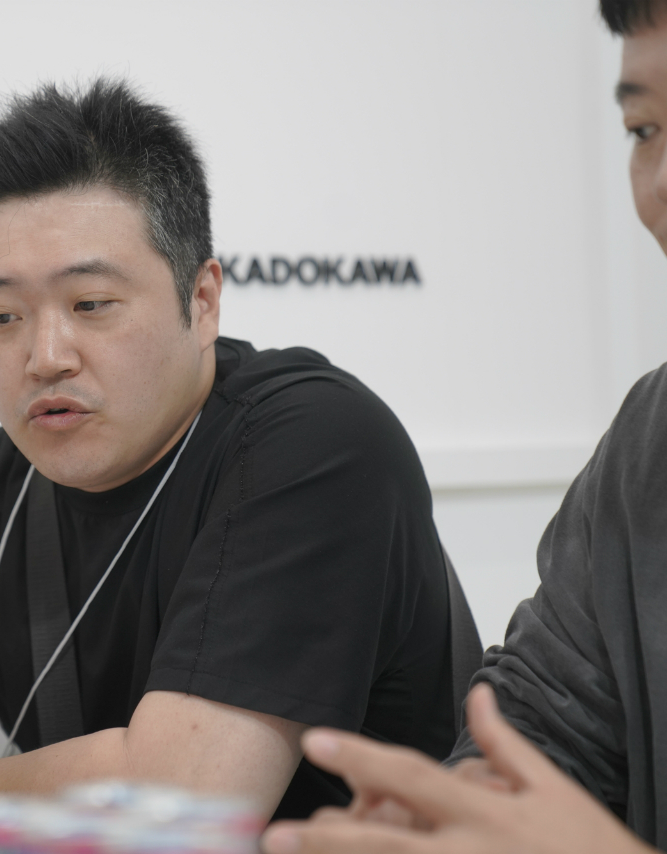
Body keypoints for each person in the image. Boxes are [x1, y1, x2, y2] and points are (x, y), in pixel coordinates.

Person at [0, 79, 456, 838]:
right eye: (2, 317)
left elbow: (185, 803)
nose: (45, 356)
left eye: (90, 304)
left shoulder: (314, 443)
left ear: (201, 301)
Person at [261, 1, 667, 850]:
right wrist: (453, 810)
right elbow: (542, 723)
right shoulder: (647, 443)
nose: (659, 184)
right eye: (645, 130)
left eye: (92, 302)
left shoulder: (319, 441)